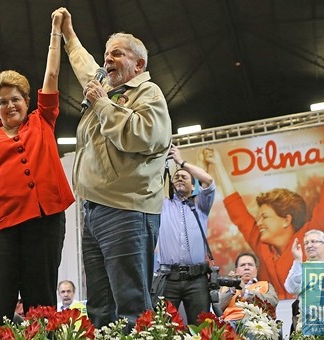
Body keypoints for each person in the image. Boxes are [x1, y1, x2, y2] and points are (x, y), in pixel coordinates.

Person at [56, 7, 172, 329]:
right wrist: (68, 36)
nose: (107, 60)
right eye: (106, 54)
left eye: (116, 54)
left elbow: (140, 136)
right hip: (93, 212)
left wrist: (102, 104)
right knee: (100, 309)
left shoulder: (148, 93)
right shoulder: (105, 87)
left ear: (139, 64)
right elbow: (84, 66)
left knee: (132, 305)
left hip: (127, 210)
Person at [0, 10, 74, 330]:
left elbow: (51, 76)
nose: (10, 105)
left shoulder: (42, 120)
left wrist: (57, 33)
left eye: (16, 99)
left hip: (44, 224)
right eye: (2, 102)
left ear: (27, 100)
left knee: (42, 304)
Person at [211, 133, 324, 299]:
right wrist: (217, 165)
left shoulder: (310, 236)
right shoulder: (262, 245)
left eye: (265, 216)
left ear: (286, 220)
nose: (259, 222)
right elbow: (239, 213)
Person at [153, 144, 215, 325]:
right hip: (167, 279)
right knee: (163, 329)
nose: (179, 177)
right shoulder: (162, 205)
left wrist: (181, 162)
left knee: (201, 328)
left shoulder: (201, 204)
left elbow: (209, 180)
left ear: (193, 185)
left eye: (184, 176)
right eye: (176, 176)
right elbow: (148, 185)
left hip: (197, 280)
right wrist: (160, 161)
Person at [218, 252, 279, 322]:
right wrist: (232, 289)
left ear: (256, 269)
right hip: (230, 322)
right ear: (236, 270)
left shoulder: (265, 285)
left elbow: (273, 303)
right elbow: (217, 307)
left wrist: (246, 292)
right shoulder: (226, 288)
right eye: (242, 265)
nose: (246, 268)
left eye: (250, 265)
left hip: (256, 322)